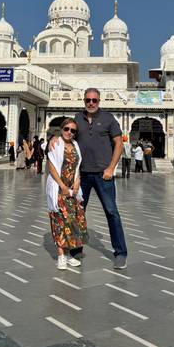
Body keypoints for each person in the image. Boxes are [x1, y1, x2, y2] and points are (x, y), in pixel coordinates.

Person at [49, 87, 128, 269]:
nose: (91, 103)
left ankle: (121, 253)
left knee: (111, 212)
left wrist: (111, 168)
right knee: (77, 214)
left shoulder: (108, 119)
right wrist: (54, 136)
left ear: (99, 101)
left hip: (103, 175)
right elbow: (66, 132)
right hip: (82, 175)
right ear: (84, 101)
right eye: (88, 100)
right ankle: (76, 253)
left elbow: (118, 144)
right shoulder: (78, 118)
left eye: (94, 100)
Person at [47, 118, 88, 269]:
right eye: (67, 129)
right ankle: (61, 256)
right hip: (59, 188)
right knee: (59, 221)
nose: (69, 132)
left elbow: (78, 166)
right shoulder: (56, 143)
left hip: (73, 189)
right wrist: (62, 186)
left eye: (73, 130)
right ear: (61, 129)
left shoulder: (76, 145)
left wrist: (77, 182)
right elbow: (51, 166)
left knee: (73, 221)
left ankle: (71, 253)